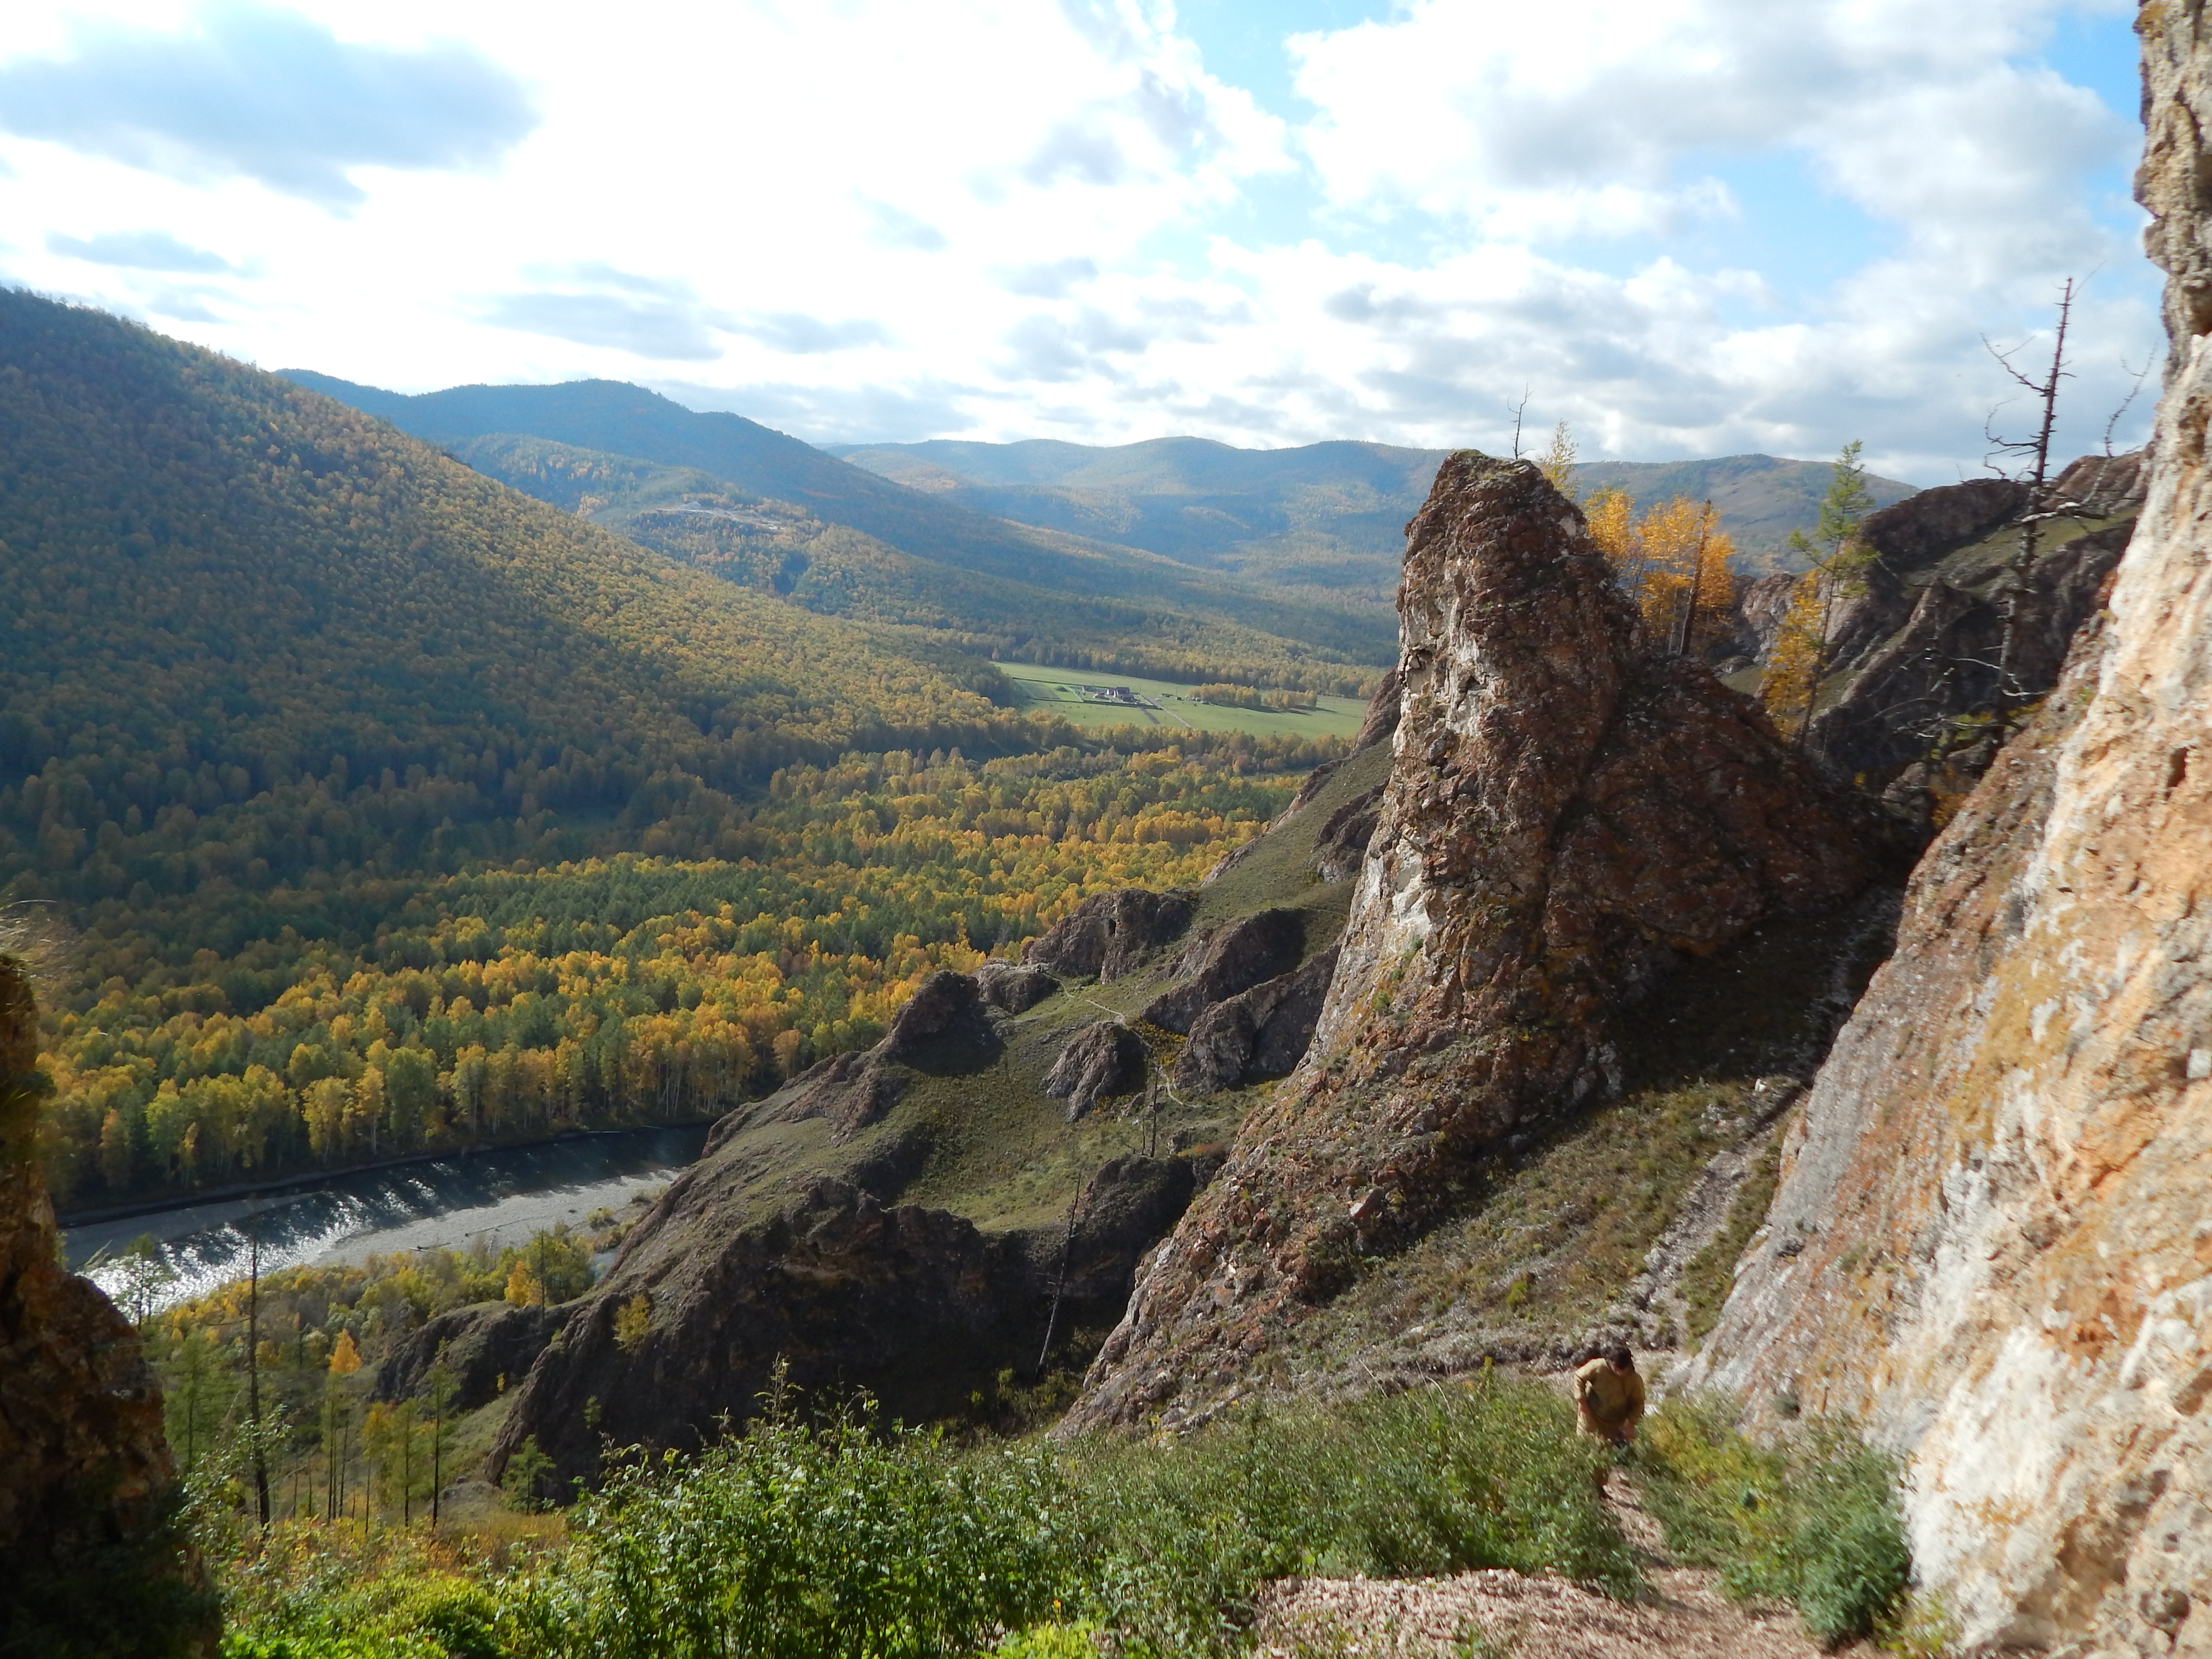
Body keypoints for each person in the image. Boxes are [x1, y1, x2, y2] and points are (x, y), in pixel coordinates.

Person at [1573, 1344, 1645, 1445]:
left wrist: (1631, 1425)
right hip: (1590, 1417)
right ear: (1611, 1362)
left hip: (1615, 1424)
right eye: (1616, 1368)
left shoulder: (1634, 1379)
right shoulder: (1599, 1366)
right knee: (1584, 1446)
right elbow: (1579, 1378)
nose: (1619, 1372)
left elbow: (1638, 1402)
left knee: (1611, 1451)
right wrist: (1582, 1402)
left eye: (1623, 1369)